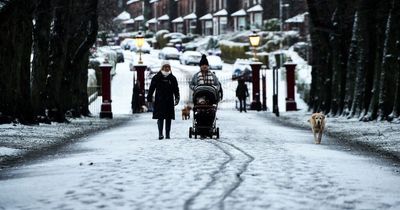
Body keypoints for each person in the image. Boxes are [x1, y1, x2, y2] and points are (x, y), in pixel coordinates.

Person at [147, 60, 180, 140]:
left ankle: (168, 134)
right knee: (160, 117)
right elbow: (151, 88)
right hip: (159, 100)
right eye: (165, 67)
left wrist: (177, 97)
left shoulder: (172, 78)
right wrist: (149, 97)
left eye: (168, 67)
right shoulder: (157, 77)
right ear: (162, 67)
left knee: (168, 118)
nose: (167, 68)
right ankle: (160, 134)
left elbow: (176, 89)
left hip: (169, 100)